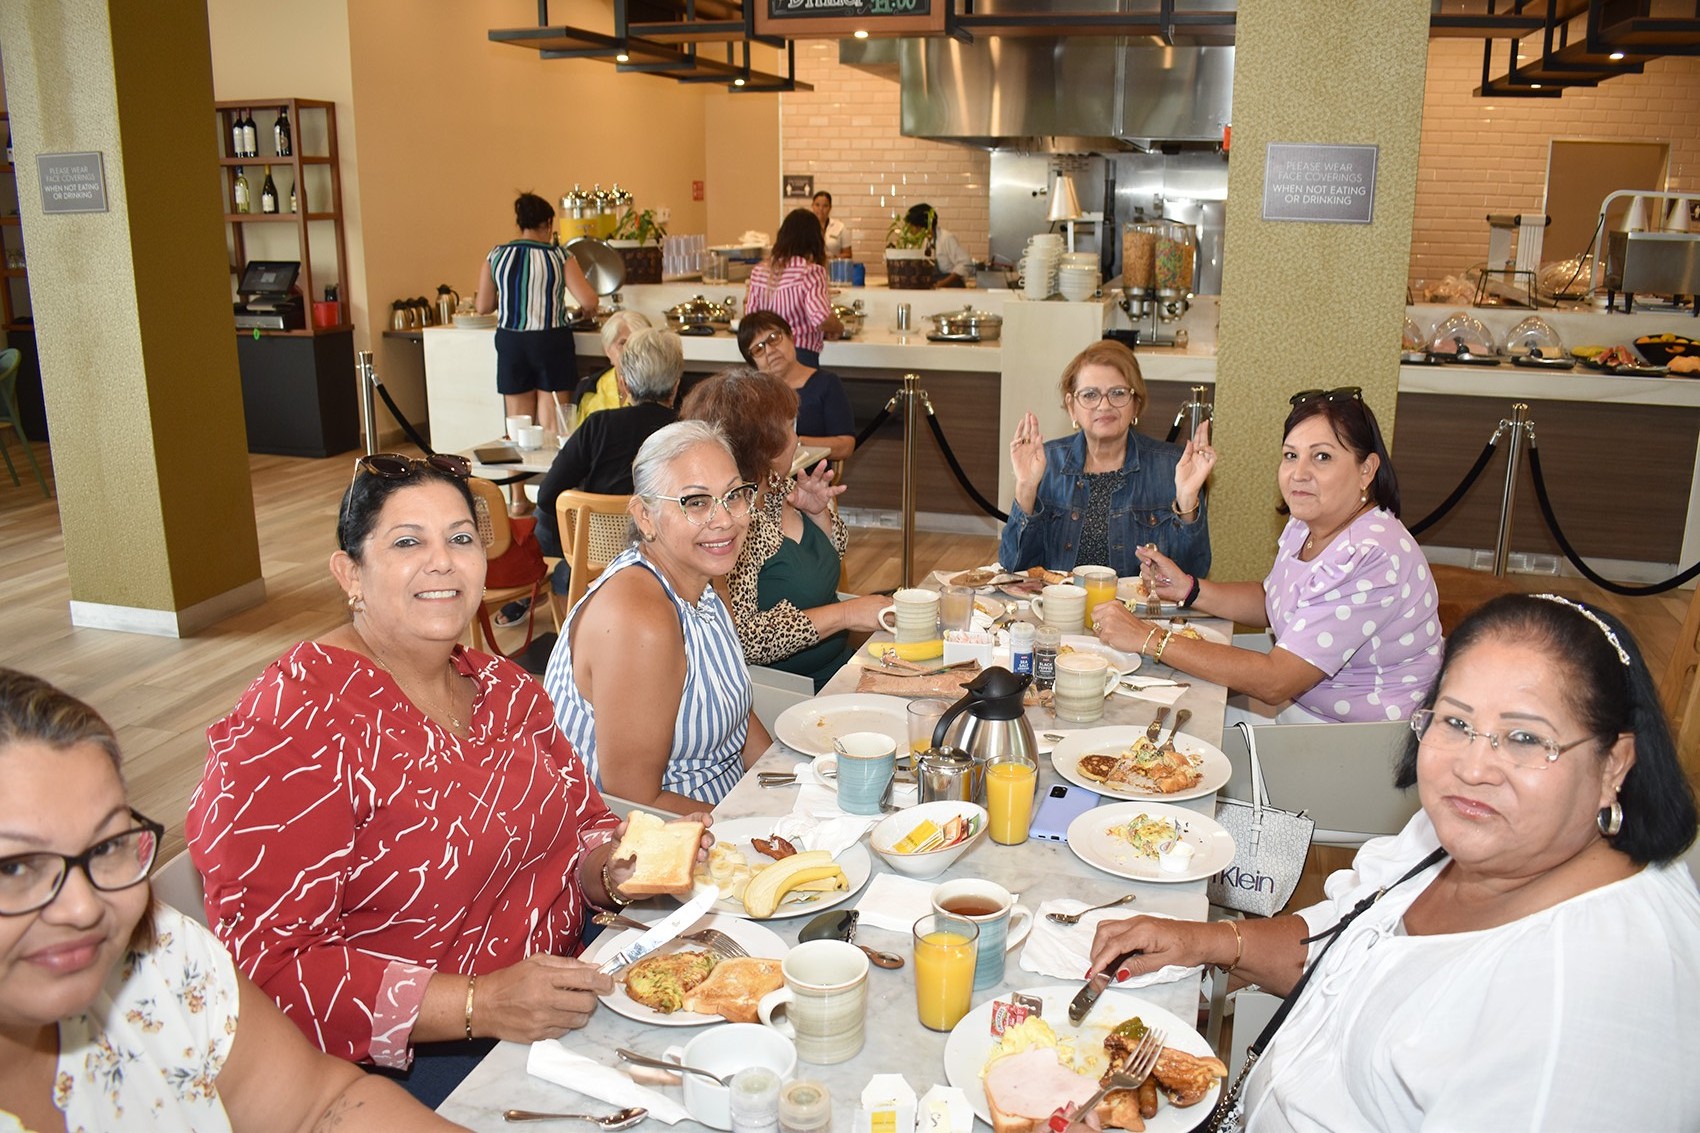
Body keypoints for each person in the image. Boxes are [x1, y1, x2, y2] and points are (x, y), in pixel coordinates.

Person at [188, 453, 696, 1106]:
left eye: (460, 538)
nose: (443, 561)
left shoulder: (504, 687)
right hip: (414, 1065)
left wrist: (619, 866)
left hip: (575, 988)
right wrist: (479, 1004)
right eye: (408, 541)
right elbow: (267, 971)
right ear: (350, 572)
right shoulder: (297, 720)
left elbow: (582, 827)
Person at [1084, 594, 1700, 1131]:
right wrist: (1207, 941)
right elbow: (1347, 942)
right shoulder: (1462, 835)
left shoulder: (1591, 1001)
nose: (1474, 767)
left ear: (1614, 764)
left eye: (1523, 738)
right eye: (1456, 722)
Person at [0, 668, 469, 1132]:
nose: (84, 908)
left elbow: (319, 1105)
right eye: (14, 869)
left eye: (105, 847)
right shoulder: (287, 722)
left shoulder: (157, 954)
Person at [1093, 386, 1438, 724]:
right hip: (1302, 710)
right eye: (1291, 455)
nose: (1299, 473)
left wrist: (1147, 637)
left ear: (1366, 469)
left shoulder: (1370, 556)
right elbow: (1272, 598)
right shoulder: (1308, 524)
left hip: (1355, 741)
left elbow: (1275, 681)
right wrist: (1188, 588)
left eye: (1322, 457)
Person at [545, 421, 772, 811]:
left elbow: (736, 717)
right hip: (661, 841)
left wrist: (787, 787)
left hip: (726, 810)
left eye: (734, 495)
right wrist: (758, 826)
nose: (725, 520)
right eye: (696, 502)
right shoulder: (639, 620)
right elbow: (634, 802)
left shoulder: (705, 579)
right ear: (645, 517)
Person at [682, 368, 890, 690]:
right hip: (787, 691)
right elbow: (745, 639)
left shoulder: (778, 486)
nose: (797, 437)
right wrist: (846, 614)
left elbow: (829, 557)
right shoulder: (731, 523)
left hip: (838, 668)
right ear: (761, 443)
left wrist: (819, 516)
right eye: (790, 427)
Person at [497, 327, 681, 628]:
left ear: (623, 383)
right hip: (664, 557)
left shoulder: (598, 426)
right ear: (676, 385)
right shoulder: (684, 431)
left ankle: (552, 585)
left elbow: (546, 495)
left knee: (547, 519)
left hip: (595, 559)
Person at [999, 340, 1212, 581]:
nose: (1104, 405)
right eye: (1090, 395)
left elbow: (1193, 575)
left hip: (1136, 616)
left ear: (1136, 405)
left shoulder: (1172, 467)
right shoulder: (1045, 462)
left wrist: (1186, 501)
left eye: (1118, 393)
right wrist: (1026, 487)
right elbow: (1014, 568)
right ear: (1072, 407)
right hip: (1060, 610)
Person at [474, 191, 600, 435]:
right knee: (554, 422)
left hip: (511, 341)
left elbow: (483, 307)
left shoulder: (496, 255)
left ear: (520, 224)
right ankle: (552, 471)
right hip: (550, 340)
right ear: (548, 224)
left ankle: (521, 469)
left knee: (519, 421)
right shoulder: (558, 255)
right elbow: (589, 299)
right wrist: (585, 311)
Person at [737, 310, 855, 461]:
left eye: (774, 338)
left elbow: (846, 445)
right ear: (753, 362)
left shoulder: (827, 383)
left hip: (812, 481)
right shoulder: (752, 395)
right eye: (758, 349)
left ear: (791, 337)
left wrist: (797, 443)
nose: (770, 351)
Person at [744, 207, 841, 369]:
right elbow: (821, 318)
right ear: (815, 240)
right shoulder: (810, 272)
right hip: (800, 358)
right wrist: (838, 327)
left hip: (766, 360)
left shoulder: (759, 271)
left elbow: (750, 320)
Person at [566, 310, 652, 431]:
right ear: (607, 350)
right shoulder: (588, 390)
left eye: (637, 343)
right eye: (623, 343)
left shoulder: (659, 391)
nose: (630, 351)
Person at [904, 202, 974, 287]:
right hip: (937, 289)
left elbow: (965, 264)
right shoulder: (925, 241)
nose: (910, 230)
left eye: (912, 226)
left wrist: (942, 283)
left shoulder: (946, 238)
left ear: (922, 226)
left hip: (952, 290)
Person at [812, 190, 851, 259]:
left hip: (833, 268)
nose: (820, 209)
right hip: (811, 269)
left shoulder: (840, 227)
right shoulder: (804, 227)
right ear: (812, 206)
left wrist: (833, 258)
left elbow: (848, 254)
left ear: (830, 208)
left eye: (825, 206)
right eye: (817, 205)